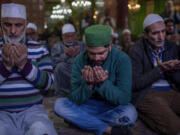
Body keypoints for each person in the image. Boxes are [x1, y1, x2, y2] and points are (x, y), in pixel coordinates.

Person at [54, 25, 137, 135]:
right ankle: (108, 129)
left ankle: (83, 121)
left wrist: (103, 84)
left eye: (101, 53)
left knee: (130, 113)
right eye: (92, 53)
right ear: (86, 48)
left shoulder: (122, 59)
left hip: (111, 108)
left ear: (110, 46)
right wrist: (88, 85)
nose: (96, 58)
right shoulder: (79, 60)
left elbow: (124, 99)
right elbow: (74, 98)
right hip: (86, 106)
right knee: (59, 105)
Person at [0, 3, 57, 135]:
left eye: (18, 25)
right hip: (1, 113)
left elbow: (49, 84)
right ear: (1, 25)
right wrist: (6, 66)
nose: (13, 31)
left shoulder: (39, 49)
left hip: (33, 112)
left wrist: (24, 65)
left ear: (25, 25)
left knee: (41, 130)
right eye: (8, 25)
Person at [129, 13, 180, 135]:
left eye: (163, 32)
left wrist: (174, 69)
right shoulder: (136, 50)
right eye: (155, 33)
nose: (161, 37)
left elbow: (177, 79)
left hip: (171, 90)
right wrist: (159, 70)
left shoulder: (171, 46)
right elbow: (135, 84)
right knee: (175, 127)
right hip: (147, 93)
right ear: (145, 35)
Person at [51, 23, 86, 96]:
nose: (70, 38)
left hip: (78, 70)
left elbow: (88, 59)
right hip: (65, 71)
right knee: (59, 67)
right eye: (67, 36)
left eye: (72, 36)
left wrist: (79, 55)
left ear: (75, 35)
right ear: (62, 36)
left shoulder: (81, 45)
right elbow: (53, 62)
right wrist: (66, 55)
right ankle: (63, 92)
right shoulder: (57, 46)